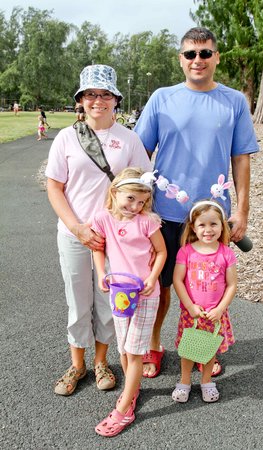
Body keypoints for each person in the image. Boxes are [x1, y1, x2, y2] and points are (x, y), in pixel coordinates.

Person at [134, 26, 259, 378]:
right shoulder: (162, 98)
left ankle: (202, 350)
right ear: (181, 59)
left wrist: (242, 211)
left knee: (206, 291)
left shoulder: (234, 101)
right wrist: (135, 205)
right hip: (166, 214)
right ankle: (154, 346)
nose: (198, 60)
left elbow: (241, 158)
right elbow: (141, 154)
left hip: (210, 219)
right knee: (159, 289)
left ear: (216, 57)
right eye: (190, 54)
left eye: (205, 53)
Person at [45, 64, 152, 396]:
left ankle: (102, 361)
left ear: (115, 99)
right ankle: (77, 365)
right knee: (78, 301)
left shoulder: (129, 139)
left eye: (105, 94)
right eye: (91, 94)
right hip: (75, 234)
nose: (98, 101)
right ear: (81, 99)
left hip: (116, 240)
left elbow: (145, 185)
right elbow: (54, 187)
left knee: (109, 301)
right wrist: (77, 228)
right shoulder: (66, 137)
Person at [92, 167, 167, 437]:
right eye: (130, 199)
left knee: (135, 352)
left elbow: (161, 251)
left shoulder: (147, 221)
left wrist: (153, 277)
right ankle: (131, 391)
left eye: (142, 201)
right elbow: (98, 248)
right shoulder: (103, 219)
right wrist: (101, 273)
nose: (136, 206)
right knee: (124, 349)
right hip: (120, 293)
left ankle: (124, 409)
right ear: (115, 193)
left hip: (146, 294)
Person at [172, 200, 237, 404]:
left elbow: (232, 285)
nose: (208, 230)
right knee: (188, 348)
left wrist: (220, 309)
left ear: (222, 225)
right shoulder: (186, 251)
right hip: (191, 314)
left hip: (214, 314)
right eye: (202, 225)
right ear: (193, 227)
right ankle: (184, 382)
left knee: (209, 349)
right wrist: (190, 306)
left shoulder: (226, 253)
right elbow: (177, 280)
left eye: (213, 224)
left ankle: (206, 381)